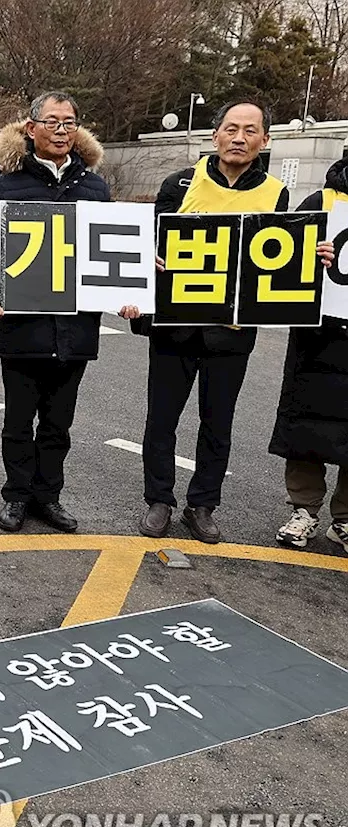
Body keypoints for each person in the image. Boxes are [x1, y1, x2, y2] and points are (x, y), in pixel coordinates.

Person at [135, 101, 336, 544]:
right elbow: (149, 247)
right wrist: (145, 265)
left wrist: (314, 257)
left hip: (234, 332)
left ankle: (202, 505)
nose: (239, 138)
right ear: (215, 136)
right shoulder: (179, 184)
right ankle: (159, 500)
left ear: (265, 141)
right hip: (176, 327)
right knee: (162, 419)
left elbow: (279, 260)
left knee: (217, 422)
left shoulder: (277, 194)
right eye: (231, 129)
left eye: (250, 130)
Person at [0, 92, 140, 534]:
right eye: (52, 122)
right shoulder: (5, 185)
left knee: (58, 425)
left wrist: (127, 291)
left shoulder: (94, 187)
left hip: (75, 330)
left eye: (70, 122)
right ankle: (16, 496)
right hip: (21, 329)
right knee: (17, 421)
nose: (62, 130)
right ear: (31, 129)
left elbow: (109, 253)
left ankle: (48, 497)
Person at [269, 156, 348, 551]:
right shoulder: (321, 200)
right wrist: (310, 259)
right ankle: (304, 510)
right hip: (319, 336)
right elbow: (282, 261)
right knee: (306, 425)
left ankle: (345, 519)